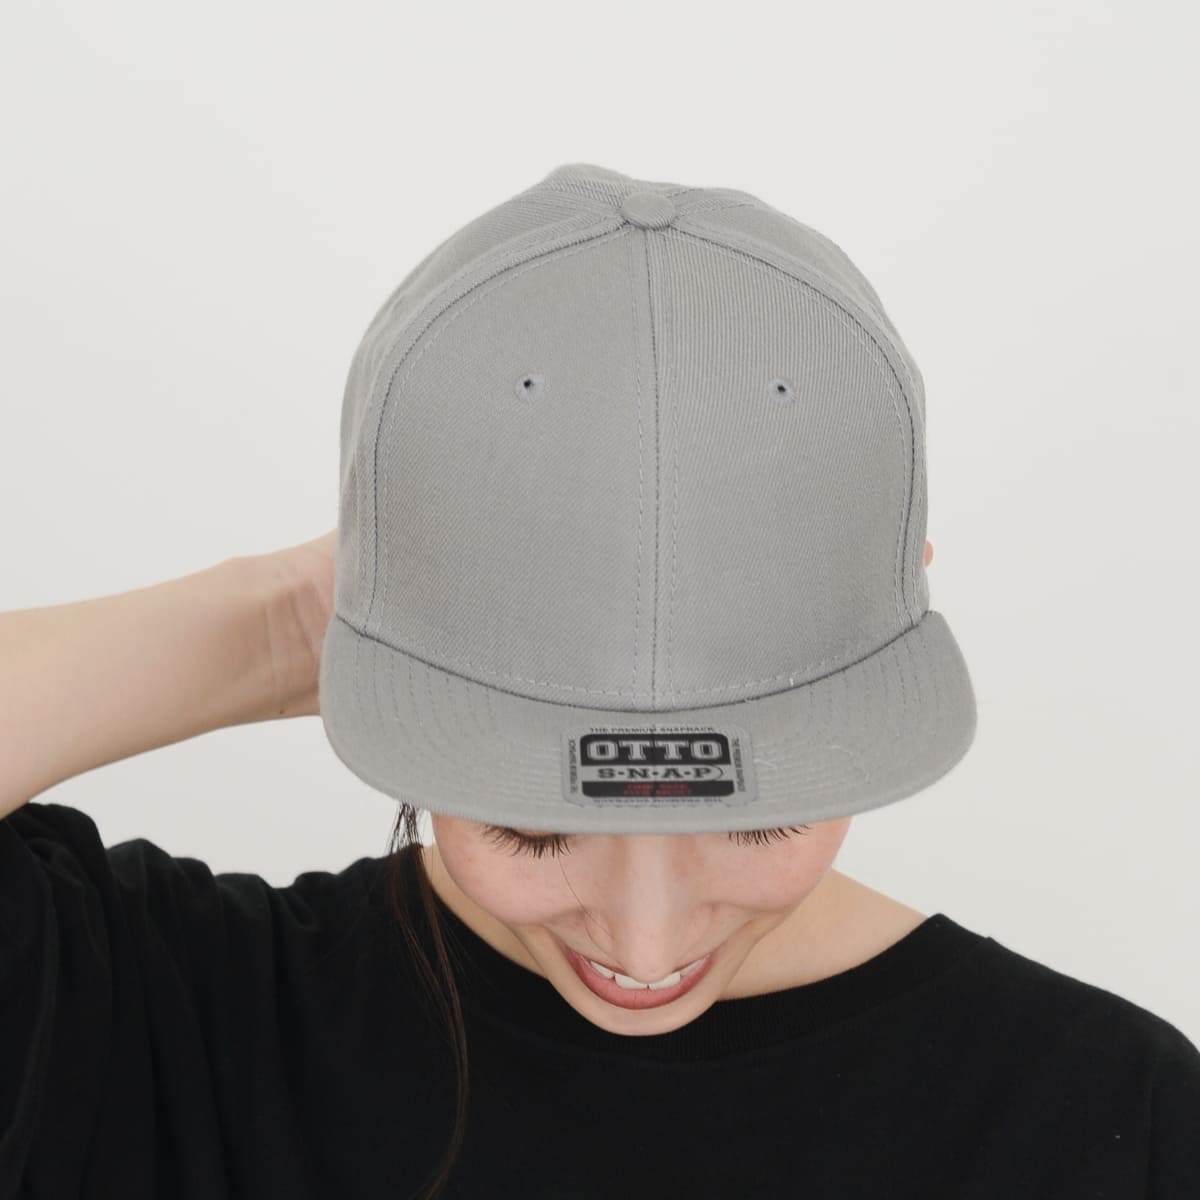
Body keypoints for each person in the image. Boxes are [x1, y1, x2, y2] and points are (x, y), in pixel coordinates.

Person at [2, 164, 1197, 1200]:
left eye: (750, 817)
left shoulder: (1120, 1120)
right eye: (535, 827)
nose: (645, 938)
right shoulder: (164, 1026)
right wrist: (294, 621)